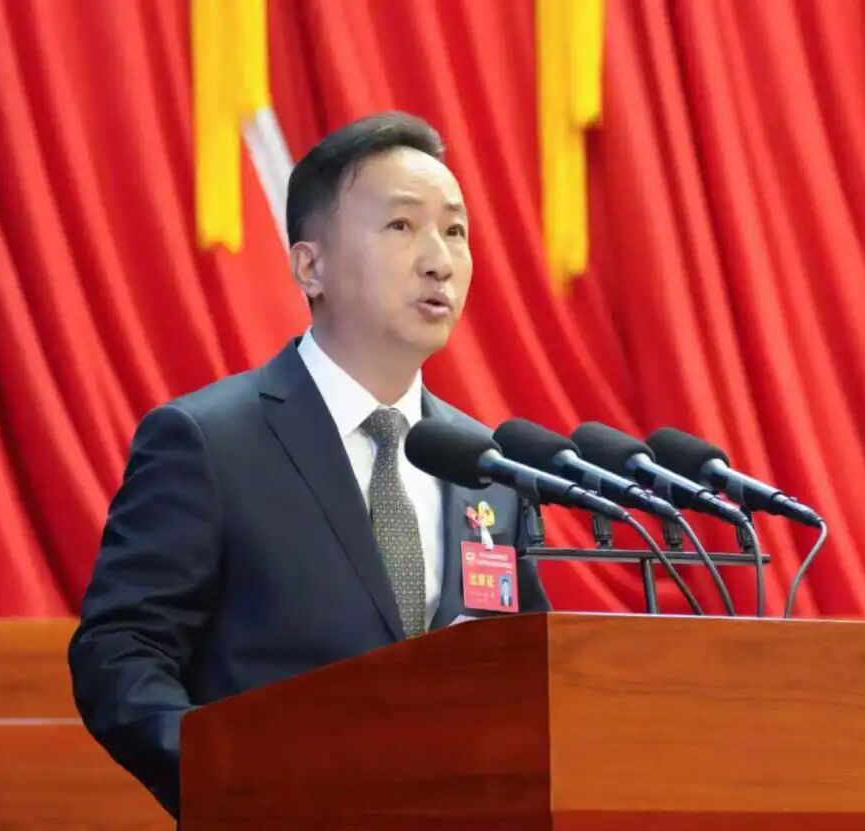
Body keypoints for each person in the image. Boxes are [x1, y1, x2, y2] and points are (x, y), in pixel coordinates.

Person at [68, 111, 550, 818]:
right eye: (401, 225)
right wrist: (232, 780)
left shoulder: (488, 465)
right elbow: (120, 651)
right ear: (310, 266)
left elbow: (530, 666)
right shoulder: (209, 442)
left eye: (455, 231)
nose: (439, 260)